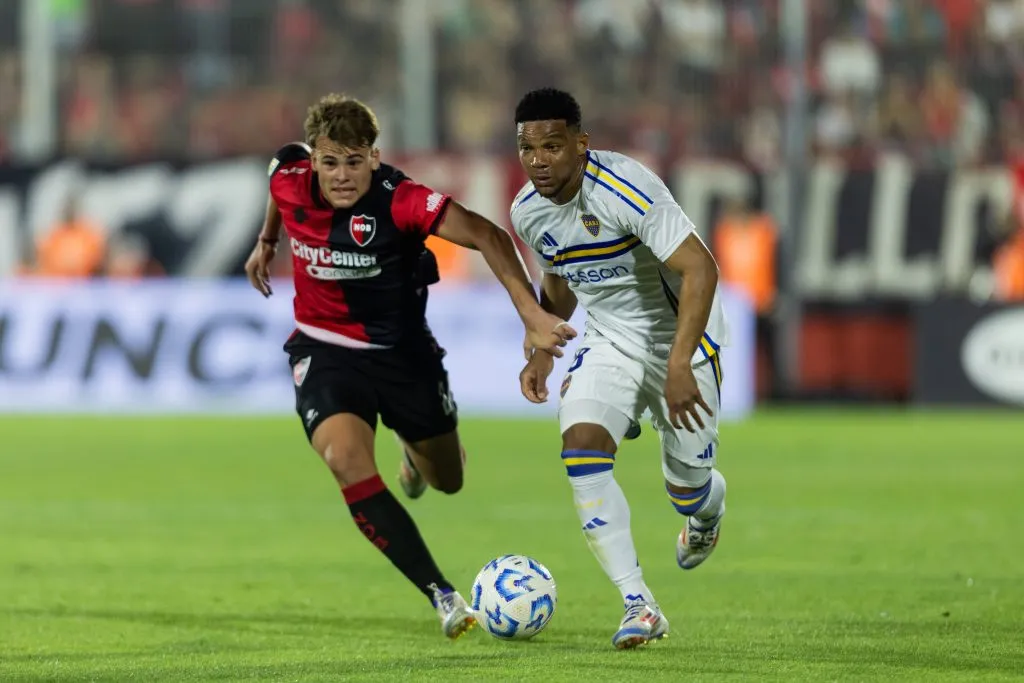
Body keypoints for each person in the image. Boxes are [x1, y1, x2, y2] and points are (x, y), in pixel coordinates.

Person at [244, 93, 575, 640]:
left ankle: (414, 455)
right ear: (315, 160)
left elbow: (488, 235)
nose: (342, 176)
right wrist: (266, 240)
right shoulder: (290, 173)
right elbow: (281, 169)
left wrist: (533, 315)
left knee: (448, 480)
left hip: (404, 358)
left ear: (374, 156)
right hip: (324, 349)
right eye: (330, 162)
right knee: (344, 458)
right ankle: (442, 595)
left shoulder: (401, 200)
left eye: (355, 161)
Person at [512, 88, 729, 649]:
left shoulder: (625, 188)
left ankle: (706, 512)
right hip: (610, 341)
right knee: (581, 447)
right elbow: (559, 284)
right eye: (527, 148)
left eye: (552, 146)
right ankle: (639, 603)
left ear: (581, 145)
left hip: (685, 339)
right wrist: (540, 348)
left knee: (687, 489)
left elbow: (700, 270)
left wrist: (680, 362)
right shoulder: (528, 212)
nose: (539, 160)